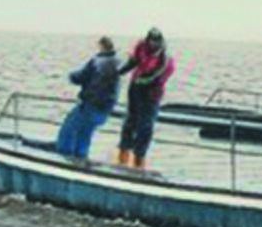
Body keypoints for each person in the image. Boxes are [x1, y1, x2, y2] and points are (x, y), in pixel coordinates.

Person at [53, 36, 120, 161]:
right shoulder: (117, 63)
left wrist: (71, 75)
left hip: (91, 104)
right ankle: (81, 156)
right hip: (105, 107)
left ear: (101, 46)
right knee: (86, 132)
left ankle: (64, 156)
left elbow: (80, 77)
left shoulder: (97, 61)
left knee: (69, 128)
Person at [116, 28, 175, 170]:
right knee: (130, 121)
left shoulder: (165, 59)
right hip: (136, 88)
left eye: (156, 41)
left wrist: (145, 82)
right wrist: (117, 73)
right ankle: (123, 155)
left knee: (146, 125)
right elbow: (132, 63)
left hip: (152, 91)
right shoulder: (141, 48)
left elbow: (156, 75)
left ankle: (139, 159)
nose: (153, 44)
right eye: (151, 40)